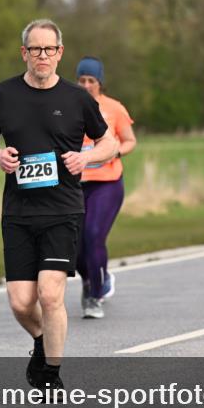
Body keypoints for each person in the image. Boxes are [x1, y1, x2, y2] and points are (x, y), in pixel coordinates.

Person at [0, 19, 117, 390]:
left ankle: (51, 375)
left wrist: (85, 159)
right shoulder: (4, 94)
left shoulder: (77, 98)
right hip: (19, 212)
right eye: (35, 49)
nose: (43, 56)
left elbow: (110, 143)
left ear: (60, 53)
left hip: (63, 211)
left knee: (50, 294)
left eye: (50, 49)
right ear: (24, 53)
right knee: (22, 302)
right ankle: (42, 343)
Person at [75, 56, 137, 319]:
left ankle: (95, 295)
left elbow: (129, 140)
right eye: (82, 80)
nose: (87, 85)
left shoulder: (113, 108)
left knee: (93, 234)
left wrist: (115, 153)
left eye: (92, 80)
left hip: (107, 183)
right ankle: (92, 278)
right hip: (76, 184)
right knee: (74, 244)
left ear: (100, 83)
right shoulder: (68, 106)